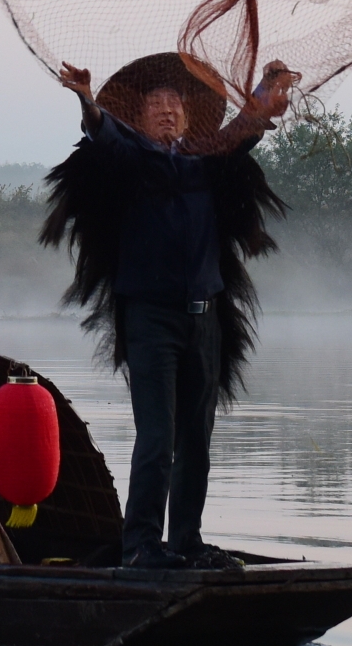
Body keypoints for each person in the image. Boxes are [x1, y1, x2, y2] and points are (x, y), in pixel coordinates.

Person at [39, 50, 299, 570]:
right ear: (138, 117)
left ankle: (186, 541)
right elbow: (101, 134)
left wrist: (266, 96)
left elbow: (244, 130)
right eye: (155, 104)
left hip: (204, 318)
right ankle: (140, 546)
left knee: (196, 441)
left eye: (174, 104)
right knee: (157, 439)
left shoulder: (207, 157)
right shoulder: (130, 159)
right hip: (150, 318)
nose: (166, 111)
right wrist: (89, 104)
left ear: (188, 115)